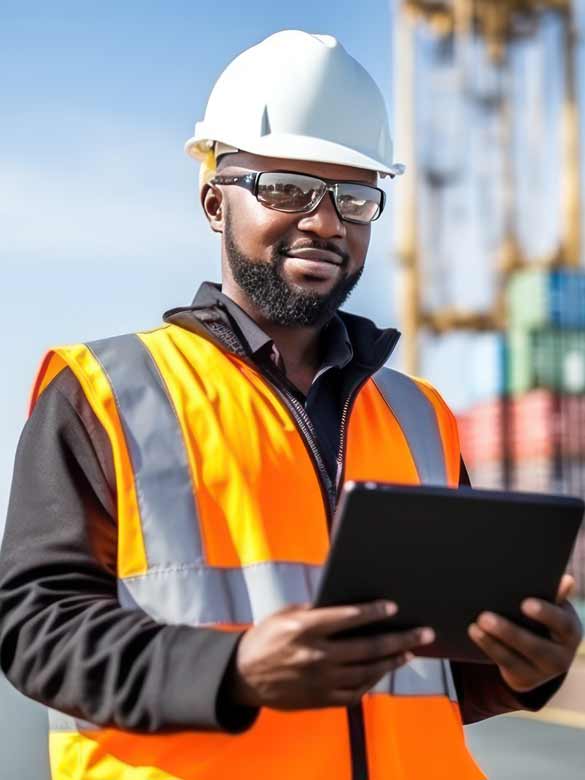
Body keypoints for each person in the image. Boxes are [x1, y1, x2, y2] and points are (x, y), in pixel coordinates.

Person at [0, 30, 582, 780]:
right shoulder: (107, 391)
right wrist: (233, 669)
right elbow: (34, 631)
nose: (325, 222)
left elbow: (429, 676)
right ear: (214, 201)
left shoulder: (418, 415)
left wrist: (521, 665)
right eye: (285, 190)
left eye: (353, 197)